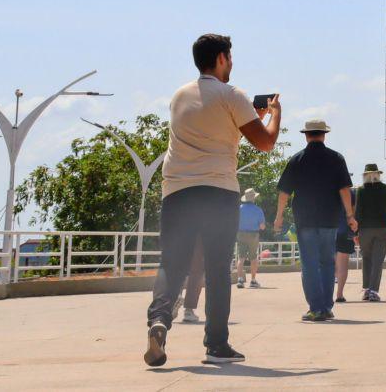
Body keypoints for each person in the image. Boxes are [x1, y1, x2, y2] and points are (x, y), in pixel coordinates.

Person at [143, 33, 281, 367]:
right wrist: (274, 113)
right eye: (230, 57)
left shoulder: (179, 96)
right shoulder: (232, 95)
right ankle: (216, 346)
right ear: (221, 58)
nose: (232, 63)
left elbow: (214, 130)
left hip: (177, 191)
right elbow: (265, 143)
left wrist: (247, 115)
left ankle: (159, 320)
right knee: (217, 267)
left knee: (171, 262)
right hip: (218, 191)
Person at [273, 119, 356, 322]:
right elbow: (344, 189)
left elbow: (284, 192)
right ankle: (326, 307)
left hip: (305, 219)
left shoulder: (297, 159)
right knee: (327, 262)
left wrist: (279, 217)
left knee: (309, 264)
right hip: (330, 218)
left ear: (306, 135)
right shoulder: (336, 158)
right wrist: (350, 216)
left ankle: (316, 308)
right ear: (324, 135)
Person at [354, 163, 386, 301]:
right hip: (382, 228)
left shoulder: (361, 190)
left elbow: (358, 212)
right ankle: (373, 291)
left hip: (365, 229)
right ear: (378, 174)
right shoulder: (384, 188)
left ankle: (367, 290)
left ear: (365, 175)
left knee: (366, 259)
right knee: (378, 260)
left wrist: (355, 232)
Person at [235, 189, 266, 289]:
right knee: (253, 258)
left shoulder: (239, 209)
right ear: (253, 198)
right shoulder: (258, 210)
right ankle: (253, 281)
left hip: (240, 233)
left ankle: (240, 280)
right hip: (253, 235)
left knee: (241, 257)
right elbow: (262, 226)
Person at [335, 209, 355, 303]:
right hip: (345, 230)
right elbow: (354, 213)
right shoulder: (350, 198)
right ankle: (339, 294)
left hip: (327, 229)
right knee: (342, 264)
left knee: (327, 263)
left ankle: (325, 294)